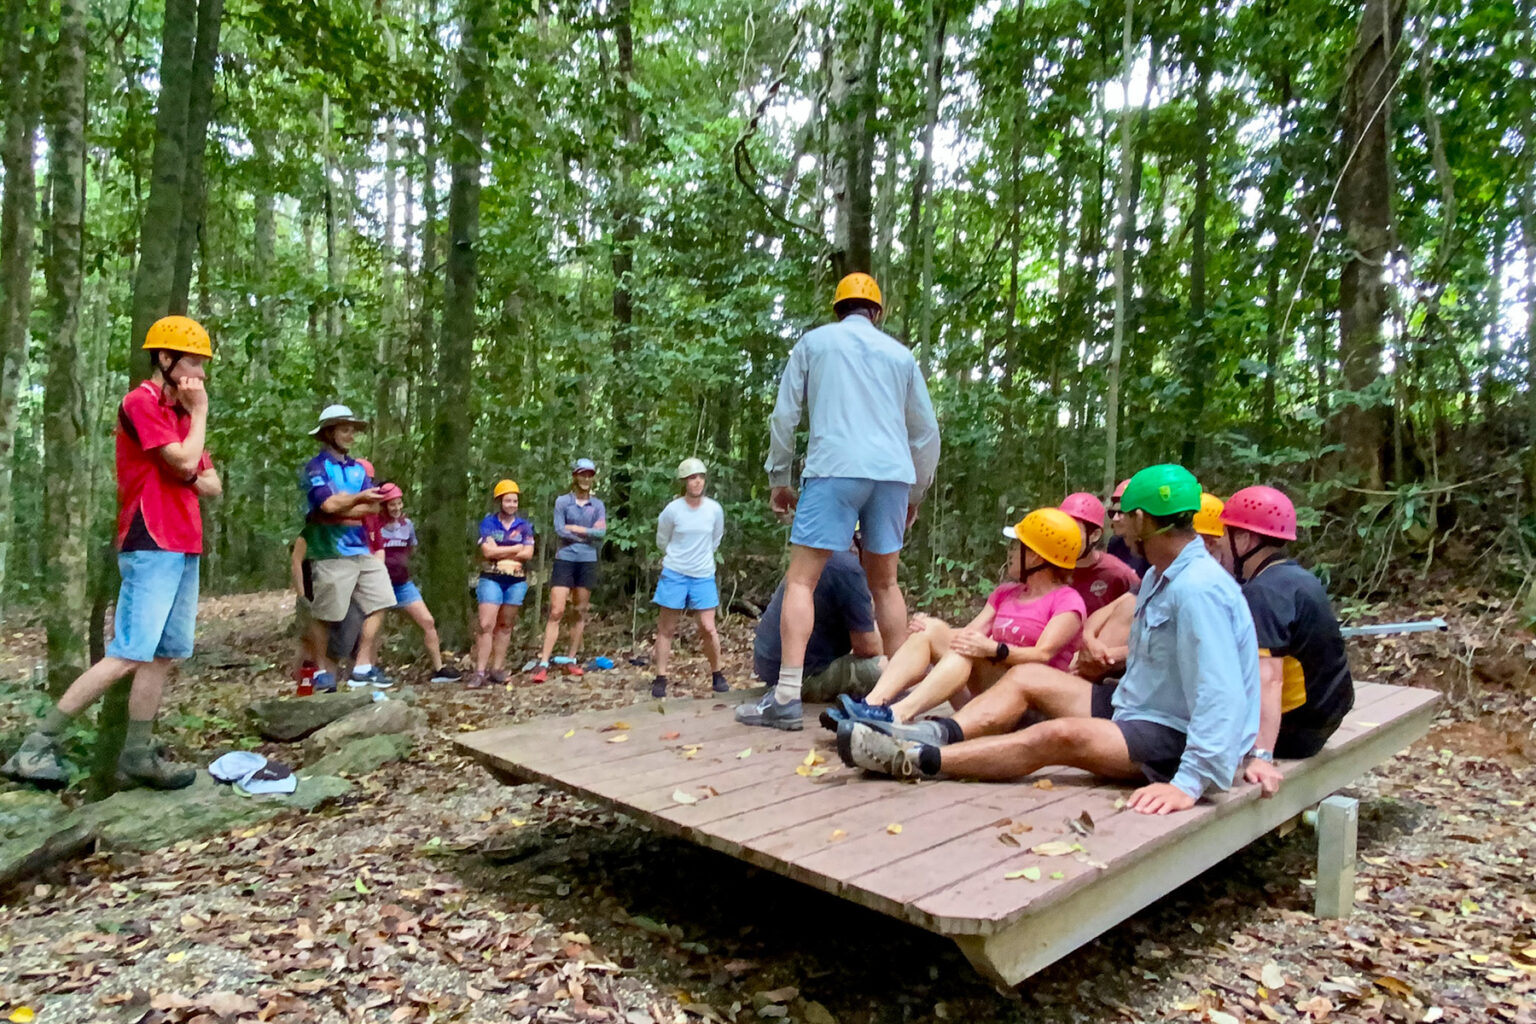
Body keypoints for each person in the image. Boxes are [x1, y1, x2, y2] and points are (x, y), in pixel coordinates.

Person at [838, 464, 1260, 817]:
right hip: (1138, 705)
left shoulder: (1199, 589)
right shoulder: (1158, 576)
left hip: (1173, 734)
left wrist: (1189, 782)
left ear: (1146, 521)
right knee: (1029, 679)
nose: (1120, 524)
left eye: (1125, 515)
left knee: (1058, 737)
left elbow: (1222, 692)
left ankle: (913, 759)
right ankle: (931, 733)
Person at [3, 316, 221, 789]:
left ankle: (138, 753)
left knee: (163, 654)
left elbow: (211, 484)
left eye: (203, 367)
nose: (200, 376)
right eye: (194, 364)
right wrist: (196, 425)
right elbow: (188, 462)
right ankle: (36, 746)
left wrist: (185, 453)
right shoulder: (140, 403)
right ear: (164, 359)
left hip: (185, 540)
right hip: (149, 538)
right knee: (127, 653)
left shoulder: (181, 416)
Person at [739, 272, 941, 730]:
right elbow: (926, 433)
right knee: (885, 584)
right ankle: (896, 698)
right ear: (877, 312)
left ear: (838, 309)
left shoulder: (814, 344)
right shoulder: (901, 355)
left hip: (834, 466)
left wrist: (779, 477)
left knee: (802, 581)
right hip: (891, 474)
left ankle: (786, 696)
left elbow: (785, 415)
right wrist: (915, 492)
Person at [833, 507, 1085, 729]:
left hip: (1029, 703)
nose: (1010, 552)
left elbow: (1043, 654)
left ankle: (897, 714)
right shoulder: (1005, 593)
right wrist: (931, 628)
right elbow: (969, 633)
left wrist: (994, 649)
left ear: (1036, 557)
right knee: (936, 633)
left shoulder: (1067, 601)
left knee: (966, 650)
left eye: (1016, 546)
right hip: (990, 690)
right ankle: (873, 704)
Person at [1221, 485, 1355, 796]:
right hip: (1325, 716)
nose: (1220, 547)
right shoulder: (1297, 578)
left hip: (1297, 732)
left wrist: (1261, 755)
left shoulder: (1264, 592)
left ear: (1244, 539)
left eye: (1225, 535)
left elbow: (1268, 679)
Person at [1077, 489, 1225, 682]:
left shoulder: (1207, 589)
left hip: (1169, 693)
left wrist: (1111, 656)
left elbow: (1181, 650)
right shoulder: (1157, 574)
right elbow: (1113, 608)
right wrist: (1089, 638)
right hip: (1137, 679)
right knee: (1129, 606)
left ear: (1211, 542)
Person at [300, 404, 395, 691]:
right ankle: (320, 672)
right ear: (329, 432)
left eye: (352, 429)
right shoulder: (316, 467)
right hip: (329, 551)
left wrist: (346, 504)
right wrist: (354, 502)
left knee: (382, 600)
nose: (351, 435)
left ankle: (363, 666)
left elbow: (373, 507)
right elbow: (326, 503)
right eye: (345, 429)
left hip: (361, 550)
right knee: (327, 615)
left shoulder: (357, 469)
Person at [754, 543, 884, 712]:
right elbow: (868, 647)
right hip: (805, 675)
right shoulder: (848, 569)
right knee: (889, 669)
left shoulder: (818, 555)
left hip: (771, 665)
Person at [651, 458, 728, 698]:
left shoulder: (714, 509)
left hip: (703, 573)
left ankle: (717, 674)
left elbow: (716, 539)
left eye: (700, 477)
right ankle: (661, 677)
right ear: (684, 482)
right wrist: (678, 558)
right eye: (692, 478)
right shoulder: (673, 510)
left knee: (708, 626)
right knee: (667, 628)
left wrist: (700, 558)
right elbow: (662, 539)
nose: (697, 482)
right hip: (675, 572)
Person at [531, 459, 607, 683]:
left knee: (580, 609)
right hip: (565, 558)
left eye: (590, 475)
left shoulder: (598, 505)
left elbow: (601, 533)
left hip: (587, 560)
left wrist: (576, 528)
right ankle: (544, 662)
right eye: (582, 474)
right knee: (556, 610)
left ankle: (571, 659)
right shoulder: (563, 501)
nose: (586, 479)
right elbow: (559, 530)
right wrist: (587, 533)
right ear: (575, 476)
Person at [376, 483, 461, 683]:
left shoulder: (407, 526)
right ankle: (367, 669)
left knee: (428, 622)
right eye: (391, 504)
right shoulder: (375, 527)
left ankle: (439, 669)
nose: (396, 508)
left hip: (403, 584)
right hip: (380, 585)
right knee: (374, 628)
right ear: (383, 506)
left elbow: (411, 550)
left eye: (399, 503)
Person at [473, 480, 536, 688]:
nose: (511, 504)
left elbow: (528, 553)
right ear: (500, 502)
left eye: (514, 501)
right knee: (486, 625)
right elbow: (487, 552)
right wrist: (515, 548)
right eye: (507, 500)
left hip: (516, 580)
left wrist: (501, 551)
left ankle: (497, 668)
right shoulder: (489, 523)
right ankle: (479, 671)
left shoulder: (524, 525)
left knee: (506, 625)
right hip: (491, 577)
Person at [1059, 491, 1140, 617]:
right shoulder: (1049, 568)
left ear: (1095, 535)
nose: (1065, 538)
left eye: (1073, 531)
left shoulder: (1117, 574)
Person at [1105, 479, 1151, 579]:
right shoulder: (1115, 544)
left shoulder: (1153, 549)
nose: (1115, 519)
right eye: (1112, 513)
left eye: (1121, 512)